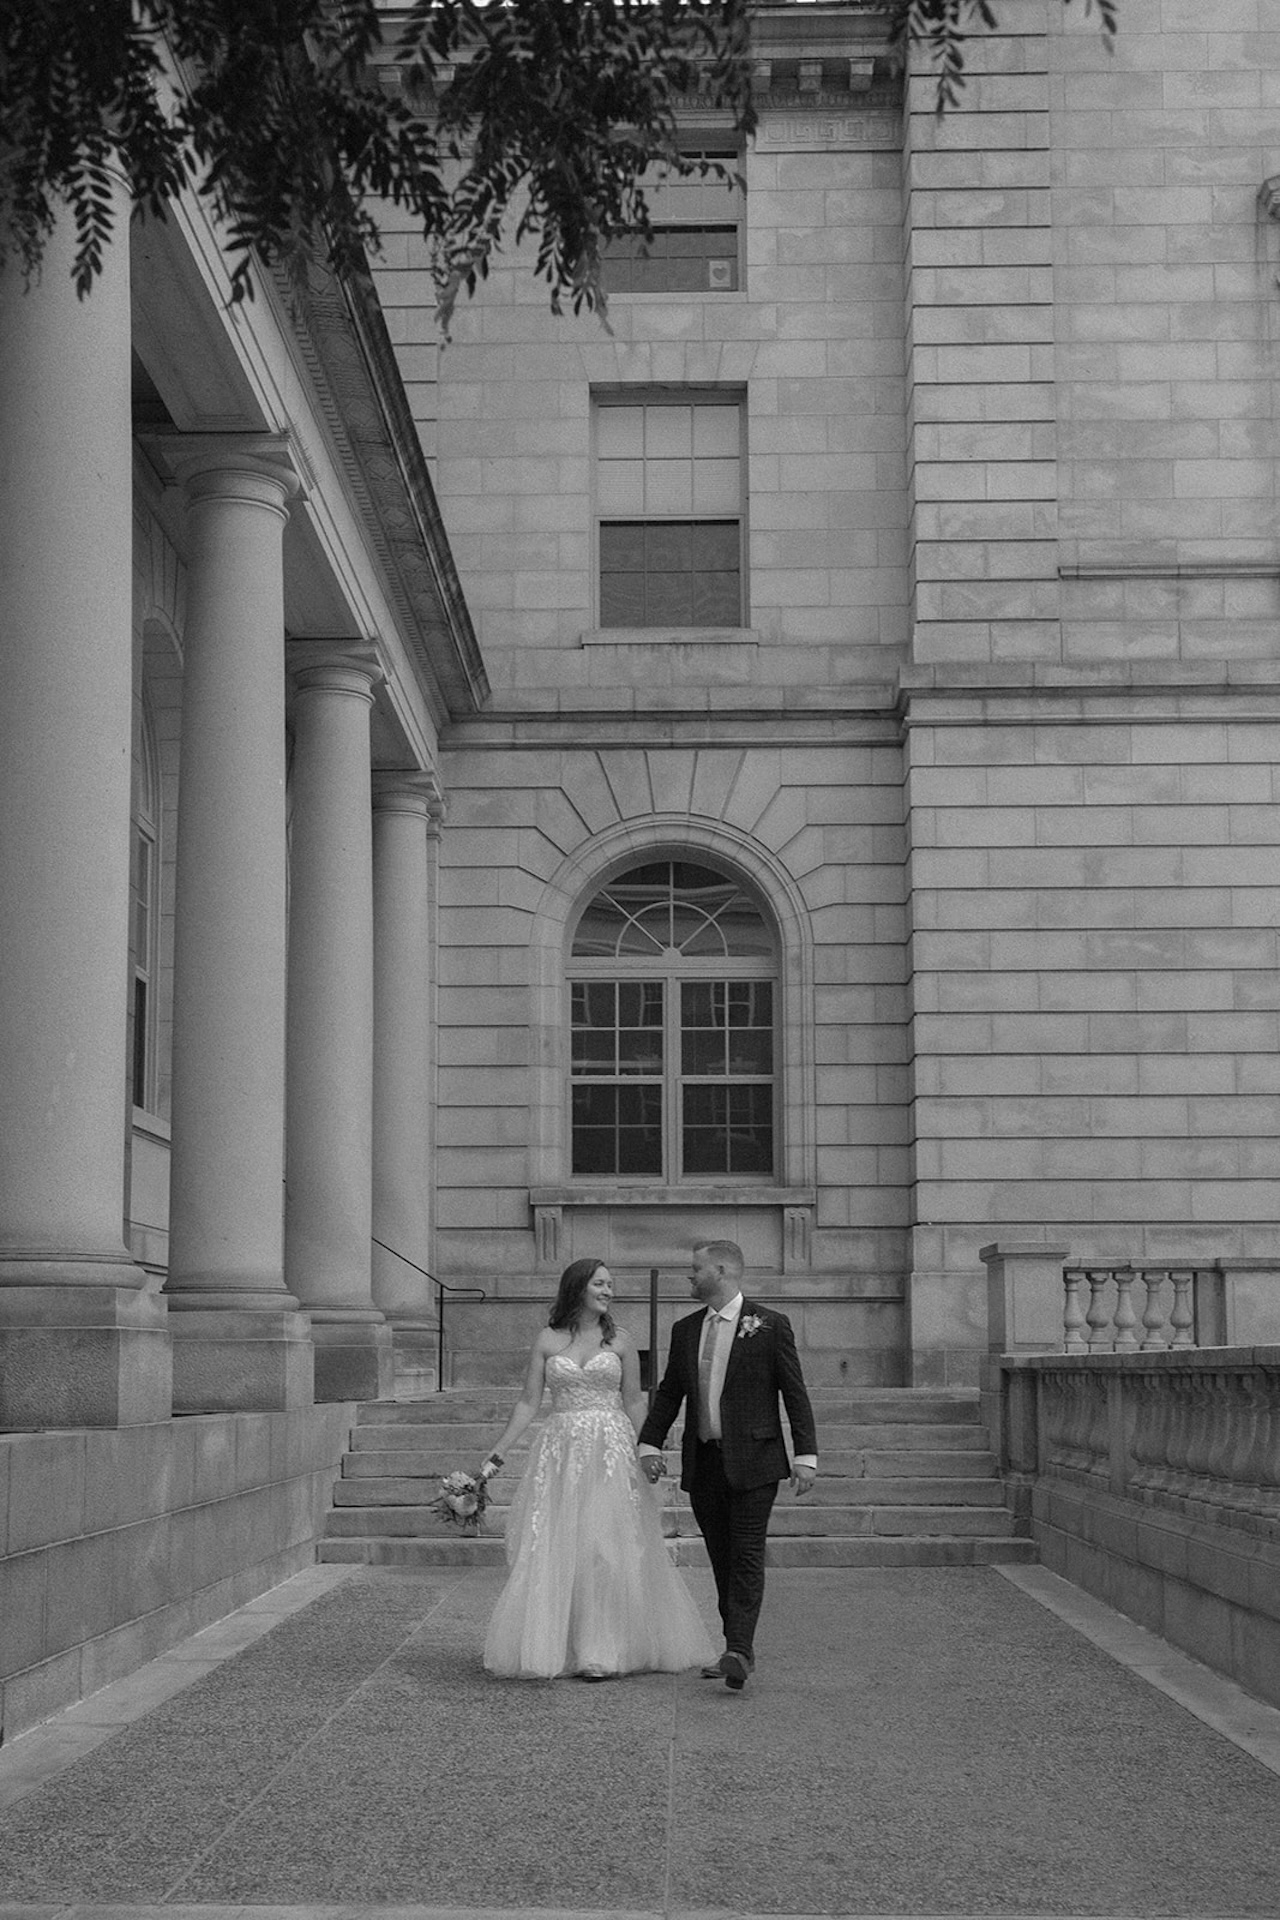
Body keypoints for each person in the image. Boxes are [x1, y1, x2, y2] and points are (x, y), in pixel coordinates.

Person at [475, 1257, 714, 1682]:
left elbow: (636, 1401)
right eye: (600, 1284)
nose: (608, 1291)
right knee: (558, 1547)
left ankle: (600, 1651)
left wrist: (648, 1448)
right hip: (560, 1452)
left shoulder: (621, 1341)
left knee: (605, 1549)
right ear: (579, 1288)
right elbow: (529, 1402)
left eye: (611, 1285)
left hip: (611, 1450)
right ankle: (556, 1645)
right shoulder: (547, 1339)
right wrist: (495, 1456)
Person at [638, 1239, 817, 1692]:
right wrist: (648, 1444)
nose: (689, 1277)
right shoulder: (684, 1330)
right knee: (721, 1556)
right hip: (706, 1463)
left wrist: (806, 1455)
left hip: (756, 1461)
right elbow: (670, 1394)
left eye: (695, 1269)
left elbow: (794, 1392)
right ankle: (736, 1647)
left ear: (721, 1270)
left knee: (747, 1553)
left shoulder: (771, 1326)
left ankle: (738, 1649)